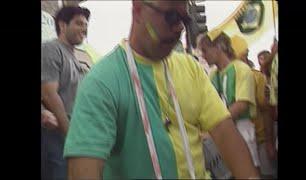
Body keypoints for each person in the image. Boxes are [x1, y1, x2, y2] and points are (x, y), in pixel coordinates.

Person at [64, 1, 259, 179]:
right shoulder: (102, 81)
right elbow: (83, 168)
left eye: (184, 19)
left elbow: (225, 133)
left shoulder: (190, 69)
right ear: (138, 10)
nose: (179, 27)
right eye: (171, 16)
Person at [197, 29, 260, 171]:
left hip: (242, 129)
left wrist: (214, 126)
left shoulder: (241, 69)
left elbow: (241, 104)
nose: (203, 55)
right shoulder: (212, 75)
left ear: (218, 47)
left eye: (205, 50)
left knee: (248, 170)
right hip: (221, 133)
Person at [41, 6, 90, 180]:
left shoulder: (74, 57)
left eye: (86, 25)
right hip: (55, 135)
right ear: (62, 25)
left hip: (70, 135)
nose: (84, 29)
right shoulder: (51, 49)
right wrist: (69, 134)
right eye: (79, 23)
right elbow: (49, 94)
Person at [231, 35, 277, 178]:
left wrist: (269, 143)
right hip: (242, 142)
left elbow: (267, 110)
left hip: (261, 139)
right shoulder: (223, 77)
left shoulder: (256, 77)